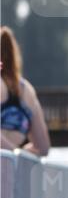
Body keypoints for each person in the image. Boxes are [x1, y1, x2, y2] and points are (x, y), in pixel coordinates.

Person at [1, 27, 50, 157]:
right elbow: (43, 147)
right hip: (12, 170)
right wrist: (19, 152)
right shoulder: (28, 90)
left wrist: (14, 152)